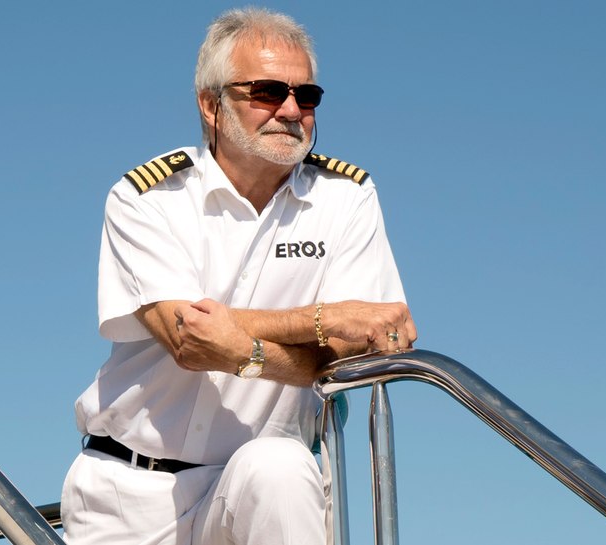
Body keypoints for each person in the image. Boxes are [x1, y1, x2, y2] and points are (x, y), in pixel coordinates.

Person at [60, 7, 416, 545]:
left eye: (307, 96)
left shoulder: (347, 198)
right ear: (211, 105)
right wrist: (325, 320)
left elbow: (358, 353)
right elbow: (190, 338)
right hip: (129, 495)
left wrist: (243, 352)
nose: (292, 110)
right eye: (268, 92)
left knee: (279, 466)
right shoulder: (147, 198)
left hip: (254, 488)